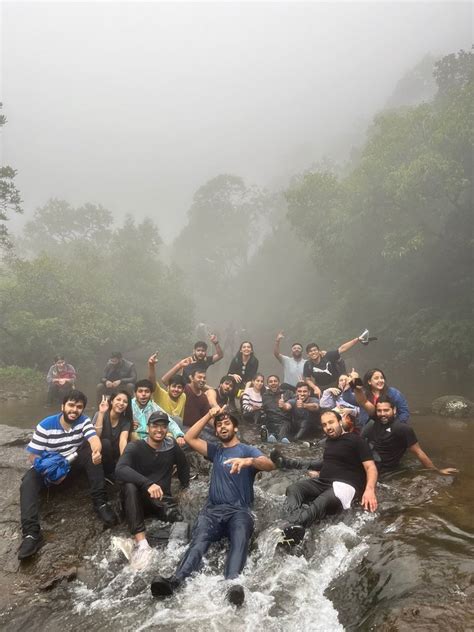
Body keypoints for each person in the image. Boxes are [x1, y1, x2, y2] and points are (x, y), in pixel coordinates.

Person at [150, 407, 275, 606]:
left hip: (239, 512)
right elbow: (190, 437)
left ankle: (232, 585)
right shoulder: (216, 451)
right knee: (199, 541)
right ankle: (175, 581)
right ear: (216, 431)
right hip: (212, 512)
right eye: (219, 425)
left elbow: (269, 464)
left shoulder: (247, 449)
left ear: (235, 428)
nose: (222, 426)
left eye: (226, 423)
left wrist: (249, 461)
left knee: (240, 540)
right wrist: (208, 414)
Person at [18, 390, 116, 560]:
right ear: (63, 406)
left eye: (79, 407)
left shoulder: (83, 421)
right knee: (27, 482)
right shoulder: (46, 425)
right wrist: (50, 472)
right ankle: (31, 534)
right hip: (51, 467)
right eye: (71, 405)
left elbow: (93, 439)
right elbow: (33, 456)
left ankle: (100, 503)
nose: (74, 410)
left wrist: (96, 452)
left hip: (71, 463)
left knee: (89, 453)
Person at [276, 409, 378, 548]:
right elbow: (333, 463)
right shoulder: (329, 442)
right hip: (323, 482)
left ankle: (294, 526)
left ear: (340, 422)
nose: (328, 427)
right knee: (294, 488)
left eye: (331, 422)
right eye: (324, 425)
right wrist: (320, 473)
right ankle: (290, 521)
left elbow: (370, 467)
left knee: (321, 502)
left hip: (345, 486)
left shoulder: (356, 440)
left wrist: (370, 490)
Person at [115, 411, 190, 570]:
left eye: (163, 426)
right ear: (148, 428)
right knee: (129, 485)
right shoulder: (135, 446)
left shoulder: (171, 446)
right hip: (137, 499)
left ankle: (144, 545)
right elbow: (120, 469)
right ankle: (141, 543)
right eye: (155, 425)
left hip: (160, 500)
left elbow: (183, 465)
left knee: (180, 522)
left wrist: (185, 487)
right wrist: (147, 483)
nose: (159, 430)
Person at [362, 398, 458, 475]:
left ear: (394, 410)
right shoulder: (376, 421)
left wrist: (436, 471)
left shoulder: (402, 429)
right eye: (379, 411)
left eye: (386, 410)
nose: (382, 414)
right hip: (368, 461)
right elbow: (363, 401)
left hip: (382, 469)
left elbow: (418, 452)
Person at [303, 332, 368, 397]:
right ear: (307, 354)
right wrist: (315, 388)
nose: (313, 352)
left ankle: (365, 397)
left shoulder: (328, 356)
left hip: (337, 382)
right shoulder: (308, 364)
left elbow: (342, 348)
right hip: (321, 387)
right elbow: (308, 379)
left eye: (315, 350)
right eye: (310, 351)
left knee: (355, 383)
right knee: (319, 401)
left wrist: (357, 339)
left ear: (319, 351)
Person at [131, 379, 185, 447]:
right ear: (135, 393)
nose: (143, 394)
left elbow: (170, 421)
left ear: (151, 394)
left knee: (170, 436)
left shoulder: (154, 406)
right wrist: (129, 425)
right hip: (134, 439)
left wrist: (179, 435)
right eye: (140, 391)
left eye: (147, 391)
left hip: (151, 437)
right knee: (133, 435)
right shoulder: (128, 405)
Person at [92, 391, 132, 478]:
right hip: (100, 452)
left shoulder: (126, 420)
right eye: (118, 399)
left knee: (130, 445)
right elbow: (96, 436)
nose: (121, 403)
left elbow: (123, 440)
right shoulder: (99, 414)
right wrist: (101, 413)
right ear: (111, 401)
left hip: (115, 453)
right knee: (105, 443)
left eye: (125, 402)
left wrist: (123, 460)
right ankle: (109, 472)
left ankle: (118, 468)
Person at [147, 352, 187, 419]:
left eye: (179, 387)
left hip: (177, 427)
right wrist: (151, 366)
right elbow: (152, 382)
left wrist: (182, 366)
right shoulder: (160, 395)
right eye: (174, 386)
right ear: (168, 387)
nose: (176, 389)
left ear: (183, 390)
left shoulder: (183, 397)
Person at [260, 375, 292, 443]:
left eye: (275, 381)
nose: (273, 383)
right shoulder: (265, 396)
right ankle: (273, 436)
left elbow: (295, 400)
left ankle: (282, 439)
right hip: (271, 421)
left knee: (282, 435)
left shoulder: (287, 393)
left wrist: (284, 405)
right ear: (268, 385)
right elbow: (264, 409)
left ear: (279, 383)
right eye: (270, 382)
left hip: (284, 420)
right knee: (271, 431)